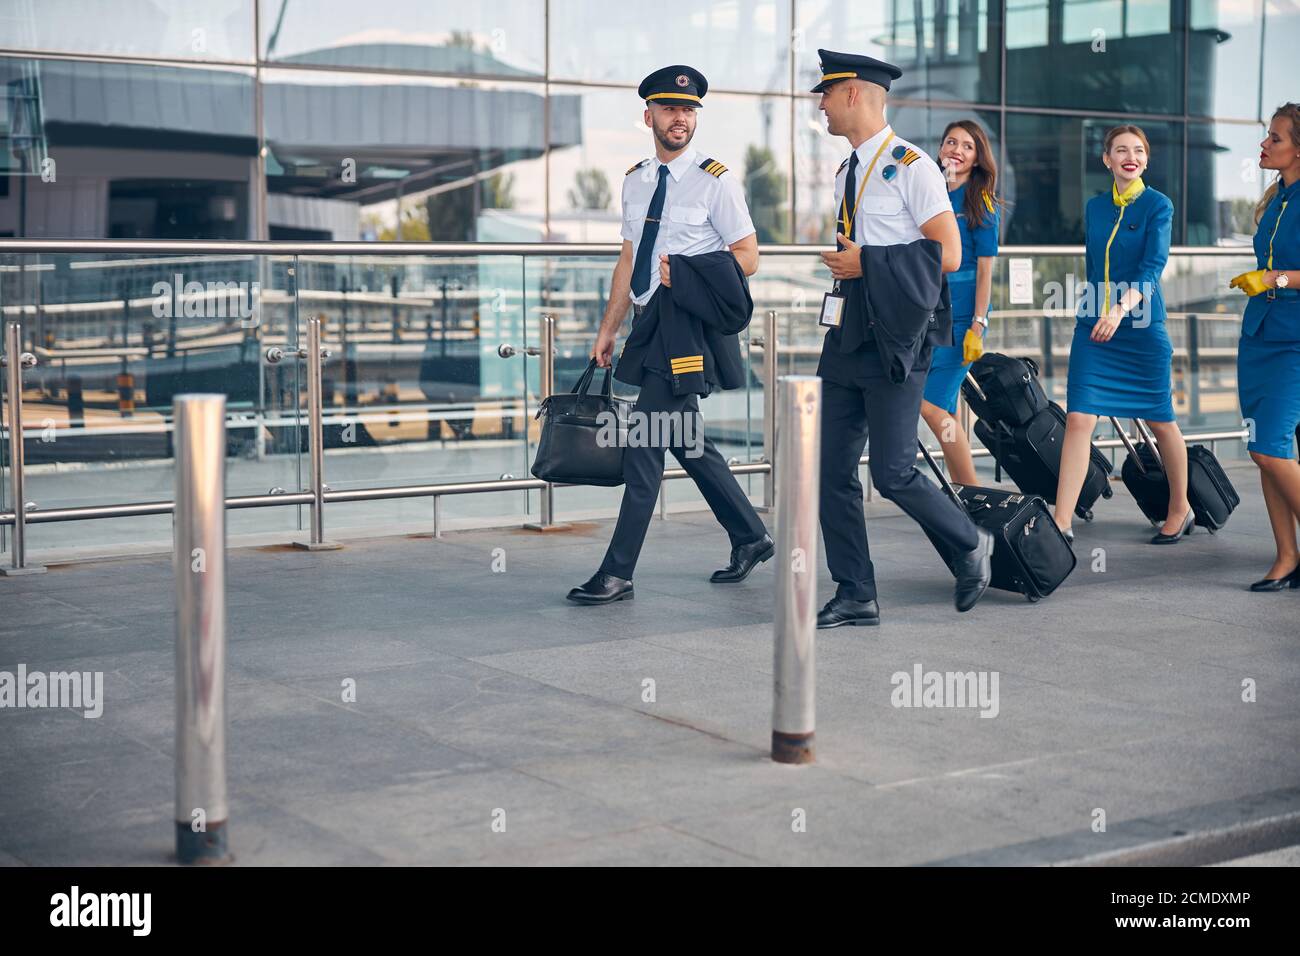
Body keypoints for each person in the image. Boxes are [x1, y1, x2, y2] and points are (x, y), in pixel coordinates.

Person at [567, 65, 772, 605]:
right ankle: (751, 536)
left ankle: (617, 572)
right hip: (645, 325)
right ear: (649, 116)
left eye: (688, 110)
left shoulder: (717, 180)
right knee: (688, 441)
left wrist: (686, 271)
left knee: (643, 446)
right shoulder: (635, 178)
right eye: (669, 109)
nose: (680, 118)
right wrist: (609, 328)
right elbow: (629, 256)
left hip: (685, 330)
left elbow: (747, 257)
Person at [810, 50, 994, 629]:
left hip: (899, 339)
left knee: (892, 473)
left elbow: (951, 253)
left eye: (827, 93)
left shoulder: (910, 165)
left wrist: (868, 264)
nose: (820, 104)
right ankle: (856, 592)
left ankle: (970, 543)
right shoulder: (847, 170)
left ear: (855, 95)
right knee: (830, 470)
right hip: (848, 332)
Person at [1054, 125, 1192, 546]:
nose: (1129, 156)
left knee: (1160, 420)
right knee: (1079, 418)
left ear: (1146, 160)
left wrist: (1118, 309)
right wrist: (1096, 309)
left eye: (1137, 150)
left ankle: (1180, 507)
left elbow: (1152, 268)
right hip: (1095, 326)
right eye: (1120, 150)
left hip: (1141, 325)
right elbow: (1094, 266)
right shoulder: (1096, 207)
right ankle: (1061, 521)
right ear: (1107, 160)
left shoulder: (1157, 205)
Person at [1229, 103, 1300, 592]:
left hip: (1294, 340)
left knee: (1270, 449)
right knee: (1263, 448)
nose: (1263, 144)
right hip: (1259, 336)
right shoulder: (1275, 199)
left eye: (1274, 138)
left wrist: (1272, 277)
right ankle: (1287, 556)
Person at [920, 119, 1001, 486]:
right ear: (940, 150)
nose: (957, 150)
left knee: (931, 406)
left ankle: (971, 490)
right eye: (951, 142)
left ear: (977, 158)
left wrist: (979, 324)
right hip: (926, 313)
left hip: (962, 317)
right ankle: (963, 489)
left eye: (967, 146)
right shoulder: (929, 193)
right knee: (945, 411)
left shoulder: (979, 201)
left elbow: (986, 270)